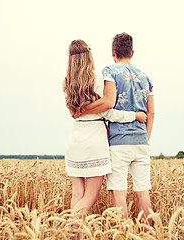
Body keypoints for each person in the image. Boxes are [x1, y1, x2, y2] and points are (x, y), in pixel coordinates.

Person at [63, 39, 147, 214]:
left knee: (78, 193)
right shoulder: (98, 80)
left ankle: (75, 234)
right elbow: (109, 111)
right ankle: (68, 226)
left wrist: (83, 110)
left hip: (75, 139)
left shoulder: (67, 83)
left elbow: (74, 112)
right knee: (90, 197)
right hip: (95, 139)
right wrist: (135, 116)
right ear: (89, 56)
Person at [81, 33, 154, 223]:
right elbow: (151, 113)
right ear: (132, 52)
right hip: (141, 141)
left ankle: (123, 234)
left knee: (118, 194)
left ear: (113, 52)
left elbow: (108, 104)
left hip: (118, 144)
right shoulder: (146, 77)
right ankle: (149, 234)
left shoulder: (109, 71)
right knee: (143, 192)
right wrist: (145, 138)